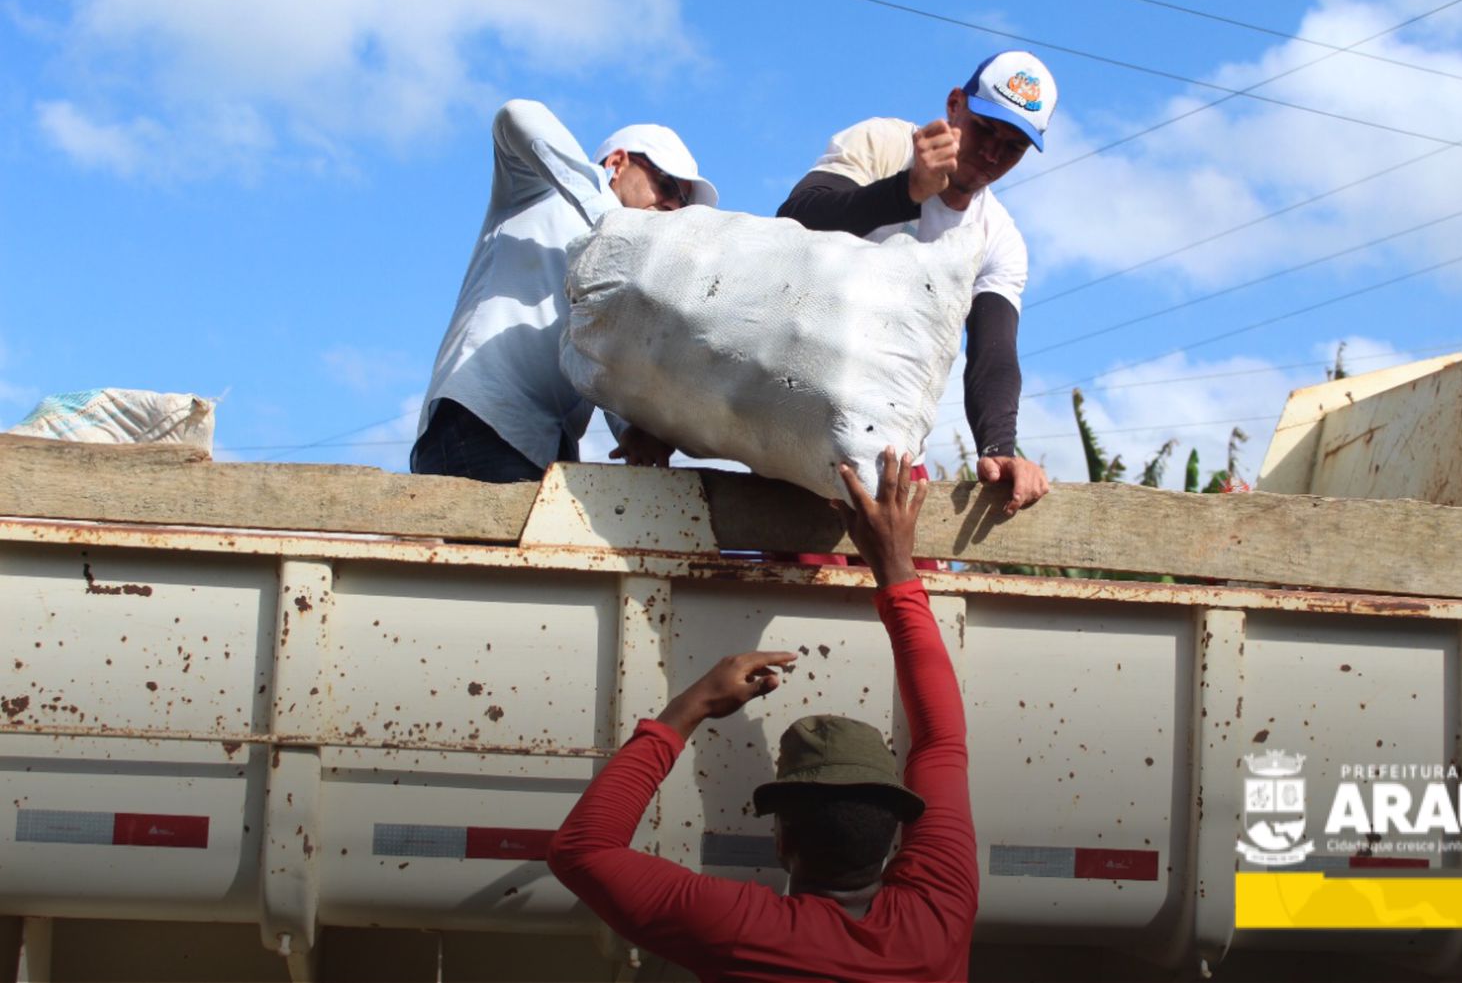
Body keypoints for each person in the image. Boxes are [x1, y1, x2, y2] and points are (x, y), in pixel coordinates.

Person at [547, 446, 977, 981]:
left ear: (781, 842)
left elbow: (582, 851)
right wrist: (897, 570)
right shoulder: (938, 917)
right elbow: (940, 741)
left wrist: (693, 704)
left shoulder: (745, 931)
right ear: (897, 834)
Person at [777, 50, 1058, 516]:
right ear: (954, 105)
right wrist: (907, 189)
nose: (992, 154)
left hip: (893, 453)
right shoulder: (885, 144)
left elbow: (993, 353)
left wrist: (999, 448)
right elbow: (793, 222)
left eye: (1013, 147)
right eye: (985, 129)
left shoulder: (999, 238)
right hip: (799, 423)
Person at [411, 100, 717, 483]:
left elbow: (602, 360)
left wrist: (632, 429)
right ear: (618, 163)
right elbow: (517, 116)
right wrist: (606, 214)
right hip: (481, 422)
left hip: (548, 451)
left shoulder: (620, 276)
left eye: (682, 204)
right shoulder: (538, 192)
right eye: (667, 185)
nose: (672, 204)